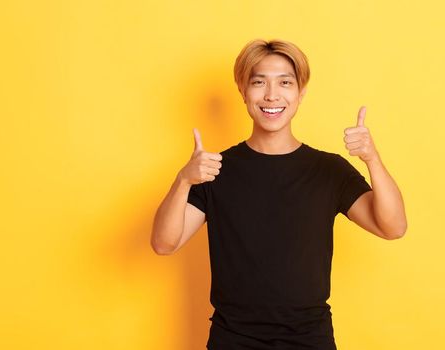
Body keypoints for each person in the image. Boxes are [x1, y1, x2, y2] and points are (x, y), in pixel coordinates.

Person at [150, 38, 407, 349]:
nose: (272, 95)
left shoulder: (329, 170)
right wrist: (184, 180)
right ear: (243, 92)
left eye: (285, 82)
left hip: (309, 339)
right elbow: (164, 244)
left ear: (300, 94)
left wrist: (372, 158)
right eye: (259, 83)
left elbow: (393, 227)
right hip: (233, 339)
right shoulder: (214, 169)